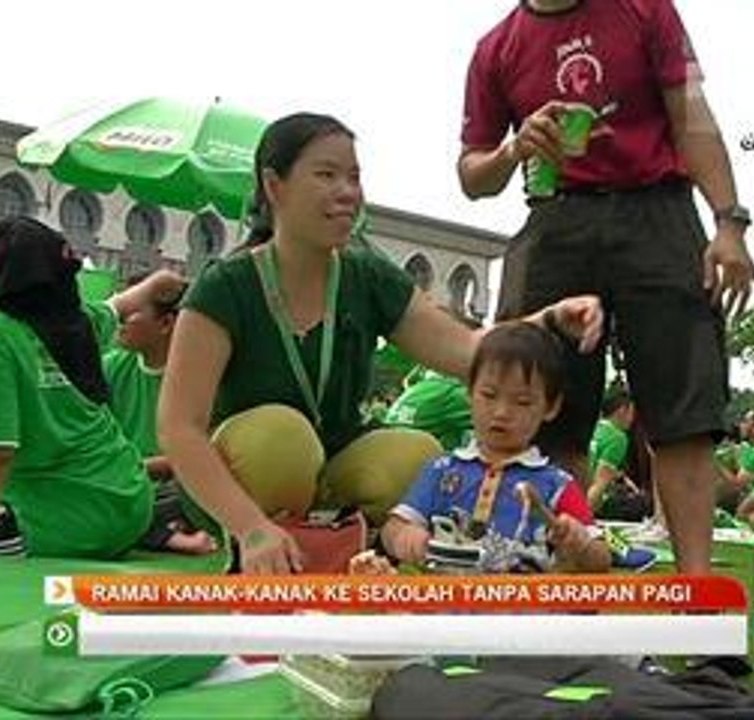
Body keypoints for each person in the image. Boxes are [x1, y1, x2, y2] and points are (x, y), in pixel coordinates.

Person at [158, 112, 603, 575]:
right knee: (281, 438)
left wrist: (550, 319)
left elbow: (467, 351)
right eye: (326, 175)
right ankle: (259, 549)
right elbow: (178, 427)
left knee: (416, 457)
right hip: (241, 481)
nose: (347, 192)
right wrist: (250, 527)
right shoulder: (225, 287)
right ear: (275, 186)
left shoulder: (366, 275)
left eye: (354, 177)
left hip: (333, 466)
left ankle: (347, 548)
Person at [456, 0, 754, 574]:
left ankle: (695, 596)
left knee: (684, 418)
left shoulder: (644, 9)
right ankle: (558, 584)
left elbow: (692, 118)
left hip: (657, 213)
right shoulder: (496, 48)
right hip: (556, 217)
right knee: (542, 411)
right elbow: (473, 176)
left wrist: (729, 223)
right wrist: (515, 148)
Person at [0, 217, 179, 558]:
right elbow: (121, 304)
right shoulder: (78, 323)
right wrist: (159, 283)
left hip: (64, 518)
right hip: (130, 500)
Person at [382, 322, 611, 573]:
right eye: (489, 395)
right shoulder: (441, 471)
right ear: (470, 392)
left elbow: (601, 559)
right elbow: (393, 527)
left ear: (551, 407)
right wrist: (404, 536)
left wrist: (581, 544)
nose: (501, 412)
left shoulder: (557, 485)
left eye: (522, 402)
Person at [103, 274, 215, 555]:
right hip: (122, 483)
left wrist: (136, 468)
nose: (119, 321)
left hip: (171, 485)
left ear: (166, 323)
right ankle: (167, 535)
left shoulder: (205, 376)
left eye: (129, 313)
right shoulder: (110, 367)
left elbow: (207, 454)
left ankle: (157, 532)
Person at [587, 387, 644, 520]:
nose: (633, 418)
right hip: (593, 503)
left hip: (578, 492)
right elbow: (600, 481)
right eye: (633, 411)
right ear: (622, 410)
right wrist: (585, 516)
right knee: (642, 504)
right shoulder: (618, 438)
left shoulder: (595, 428)